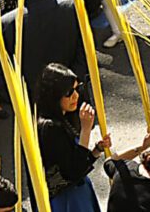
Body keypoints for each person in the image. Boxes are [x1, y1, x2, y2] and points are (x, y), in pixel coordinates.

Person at [35, 63, 107, 212]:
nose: (76, 96)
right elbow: (74, 171)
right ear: (55, 94)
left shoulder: (61, 118)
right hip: (67, 201)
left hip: (76, 194)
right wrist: (86, 130)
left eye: (76, 89)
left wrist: (96, 150)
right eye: (68, 92)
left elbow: (72, 159)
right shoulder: (50, 128)